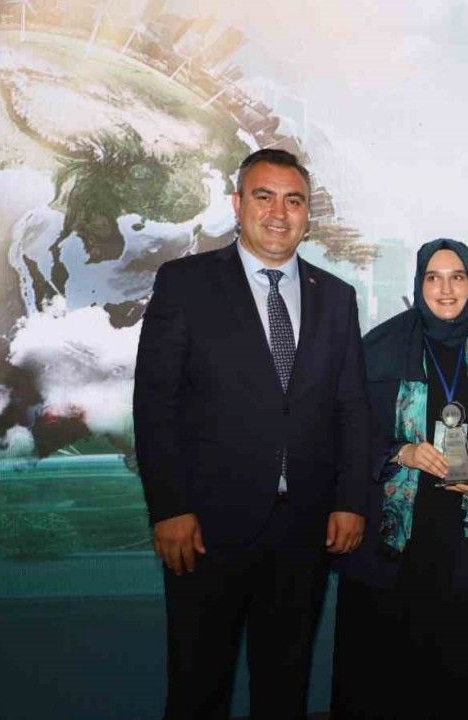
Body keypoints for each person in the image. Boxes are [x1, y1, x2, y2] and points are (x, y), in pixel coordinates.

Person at [133, 148, 371, 719]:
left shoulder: (336, 297)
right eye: (264, 197)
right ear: (237, 204)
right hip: (204, 530)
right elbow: (156, 403)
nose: (279, 213)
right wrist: (170, 507)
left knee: (285, 690)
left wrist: (350, 501)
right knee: (197, 688)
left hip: (304, 531)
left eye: (294, 201)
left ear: (308, 215)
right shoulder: (186, 283)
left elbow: (352, 408)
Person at [331, 238, 468, 720]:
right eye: (433, 278)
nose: (446, 289)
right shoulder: (379, 350)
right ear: (418, 285)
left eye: (457, 277)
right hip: (393, 544)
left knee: (463, 681)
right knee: (389, 681)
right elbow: (348, 433)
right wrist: (403, 452)